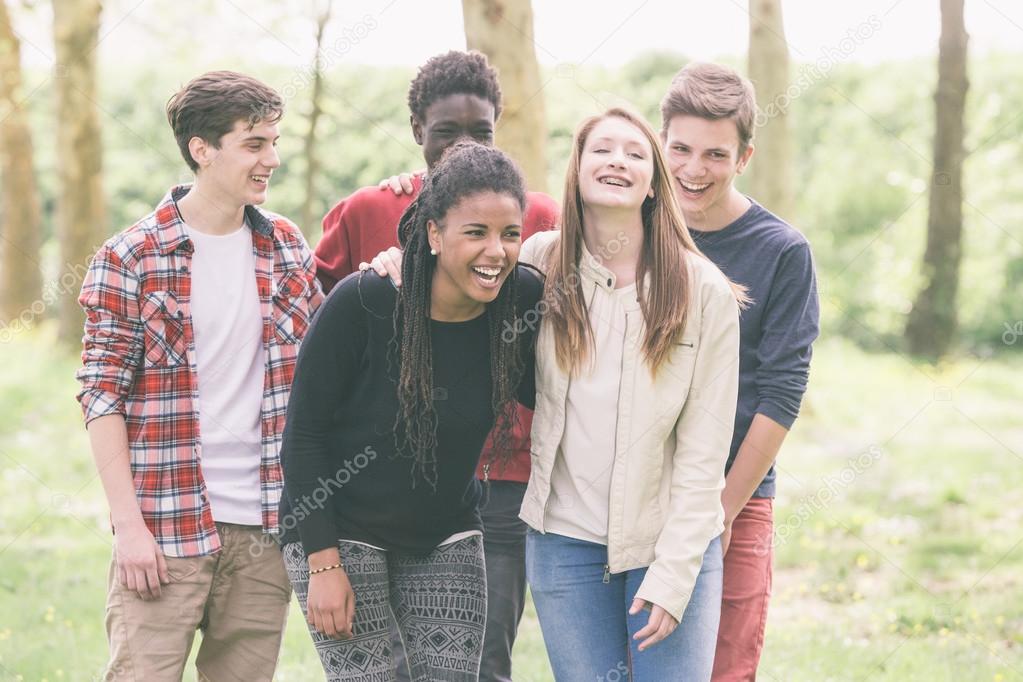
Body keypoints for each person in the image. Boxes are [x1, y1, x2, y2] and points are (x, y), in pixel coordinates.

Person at [368, 107, 742, 681]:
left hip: (667, 543)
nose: (617, 160)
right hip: (564, 544)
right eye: (601, 149)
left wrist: (675, 571)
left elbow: (705, 453)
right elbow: (456, 265)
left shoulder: (701, 291)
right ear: (577, 169)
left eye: (635, 153)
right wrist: (402, 260)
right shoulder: (537, 264)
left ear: (652, 181)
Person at [315, 49, 557, 682]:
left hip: (490, 477)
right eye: (445, 132)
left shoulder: (536, 220)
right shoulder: (368, 215)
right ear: (418, 130)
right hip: (370, 488)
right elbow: (315, 347)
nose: (461, 147)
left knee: (479, 663)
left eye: (480, 132)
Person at [75, 71, 322, 681]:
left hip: (265, 526)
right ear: (202, 149)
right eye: (255, 144)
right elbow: (101, 397)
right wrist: (129, 528)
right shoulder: (131, 255)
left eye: (275, 141)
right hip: (165, 526)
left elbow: (327, 365)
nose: (273, 158)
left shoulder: (286, 246)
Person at [659, 62, 820, 682]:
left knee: (724, 667)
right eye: (680, 149)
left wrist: (720, 514)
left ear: (744, 157)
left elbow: (782, 393)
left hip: (737, 490)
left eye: (715, 154)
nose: (694, 169)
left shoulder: (782, 251)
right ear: (661, 143)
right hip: (637, 491)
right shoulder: (631, 229)